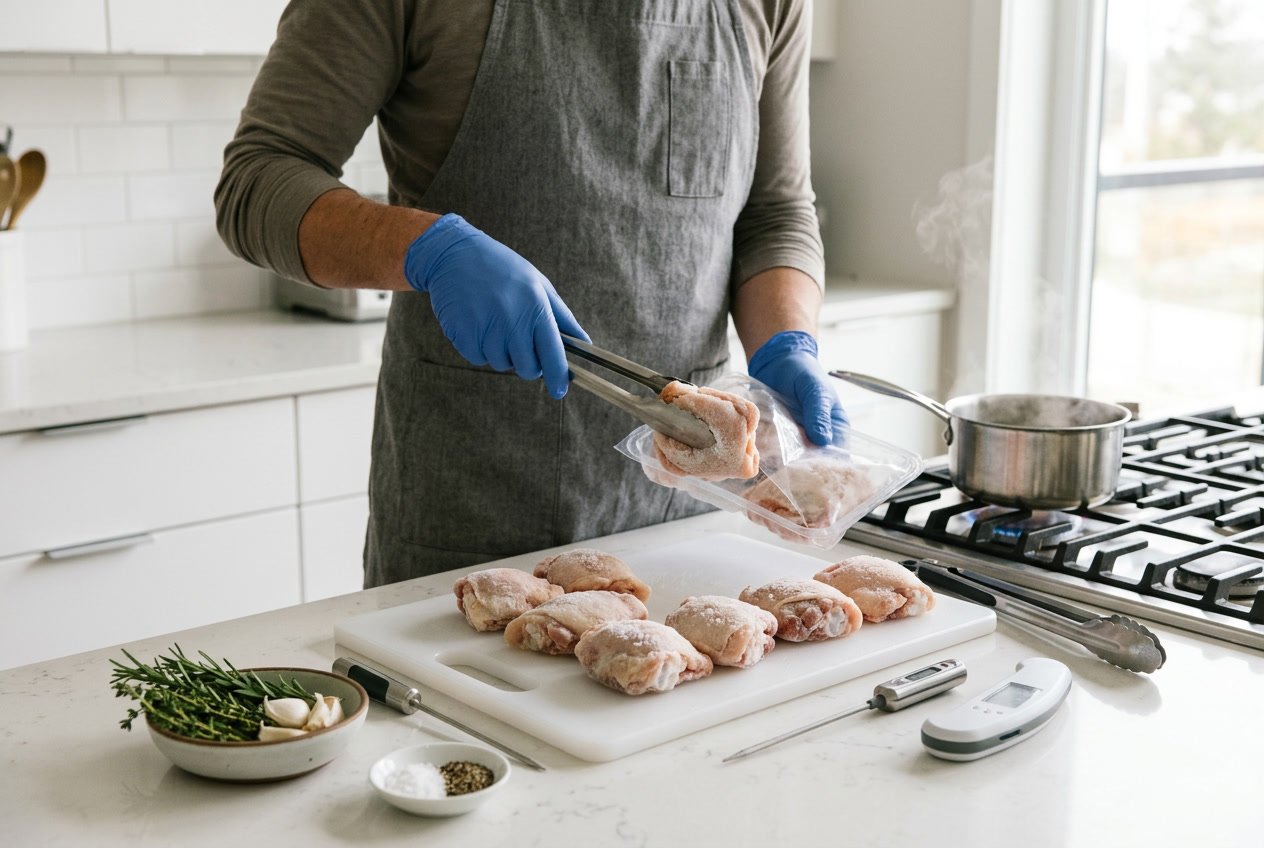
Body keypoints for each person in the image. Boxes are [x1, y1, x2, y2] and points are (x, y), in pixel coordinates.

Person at [215, 0, 847, 587]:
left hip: (686, 504)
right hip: (474, 503)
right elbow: (258, 180)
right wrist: (429, 248)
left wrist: (787, 341)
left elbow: (775, 211)